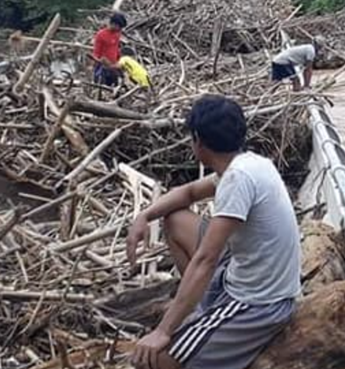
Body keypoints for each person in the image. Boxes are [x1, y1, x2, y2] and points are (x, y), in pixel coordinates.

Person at [126, 95, 300, 369]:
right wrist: (144, 216)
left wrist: (163, 331)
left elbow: (206, 259)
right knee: (174, 219)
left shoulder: (238, 179)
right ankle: (197, 312)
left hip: (258, 303)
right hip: (243, 272)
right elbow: (188, 193)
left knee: (153, 360)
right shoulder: (248, 164)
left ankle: (201, 325)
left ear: (198, 141)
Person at [91, 12, 126, 86]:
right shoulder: (101, 35)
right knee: (103, 89)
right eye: (119, 27)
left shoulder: (117, 34)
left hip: (114, 66)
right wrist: (99, 63)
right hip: (103, 67)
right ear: (113, 24)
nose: (119, 29)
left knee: (115, 88)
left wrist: (119, 61)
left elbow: (116, 49)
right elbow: (96, 53)